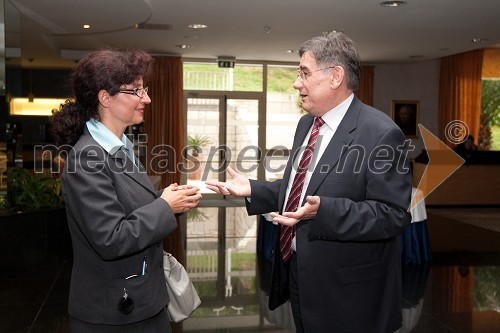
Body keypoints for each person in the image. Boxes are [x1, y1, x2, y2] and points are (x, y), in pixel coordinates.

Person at [206, 32, 412, 333]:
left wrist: (323, 211)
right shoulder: (307, 124)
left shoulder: (381, 133)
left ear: (335, 77)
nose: (296, 83)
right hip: (302, 278)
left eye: (304, 73)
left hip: (352, 295)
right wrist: (253, 188)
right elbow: (302, 188)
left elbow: (392, 215)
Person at [51, 49, 202, 333]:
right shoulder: (87, 158)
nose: (147, 98)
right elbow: (110, 238)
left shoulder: (121, 147)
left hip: (143, 301)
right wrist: (164, 207)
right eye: (136, 91)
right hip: (113, 314)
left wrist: (167, 200)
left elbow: (127, 207)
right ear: (105, 98)